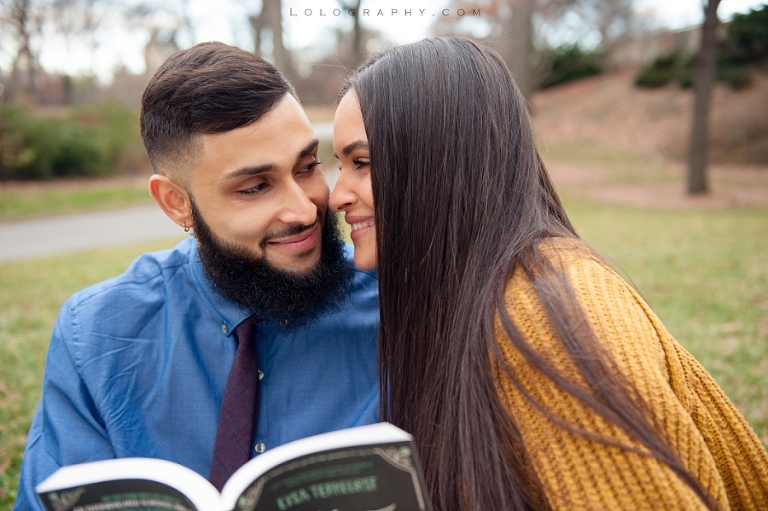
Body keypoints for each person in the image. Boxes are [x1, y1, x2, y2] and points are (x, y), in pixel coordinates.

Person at [330, 37, 768, 511]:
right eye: (339, 165)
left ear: (440, 159)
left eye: (363, 164)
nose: (337, 196)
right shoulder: (471, 296)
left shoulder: (546, 313)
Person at [15, 42, 379, 511]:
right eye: (255, 187)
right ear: (175, 203)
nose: (305, 208)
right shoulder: (96, 336)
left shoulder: (398, 309)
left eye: (308, 167)